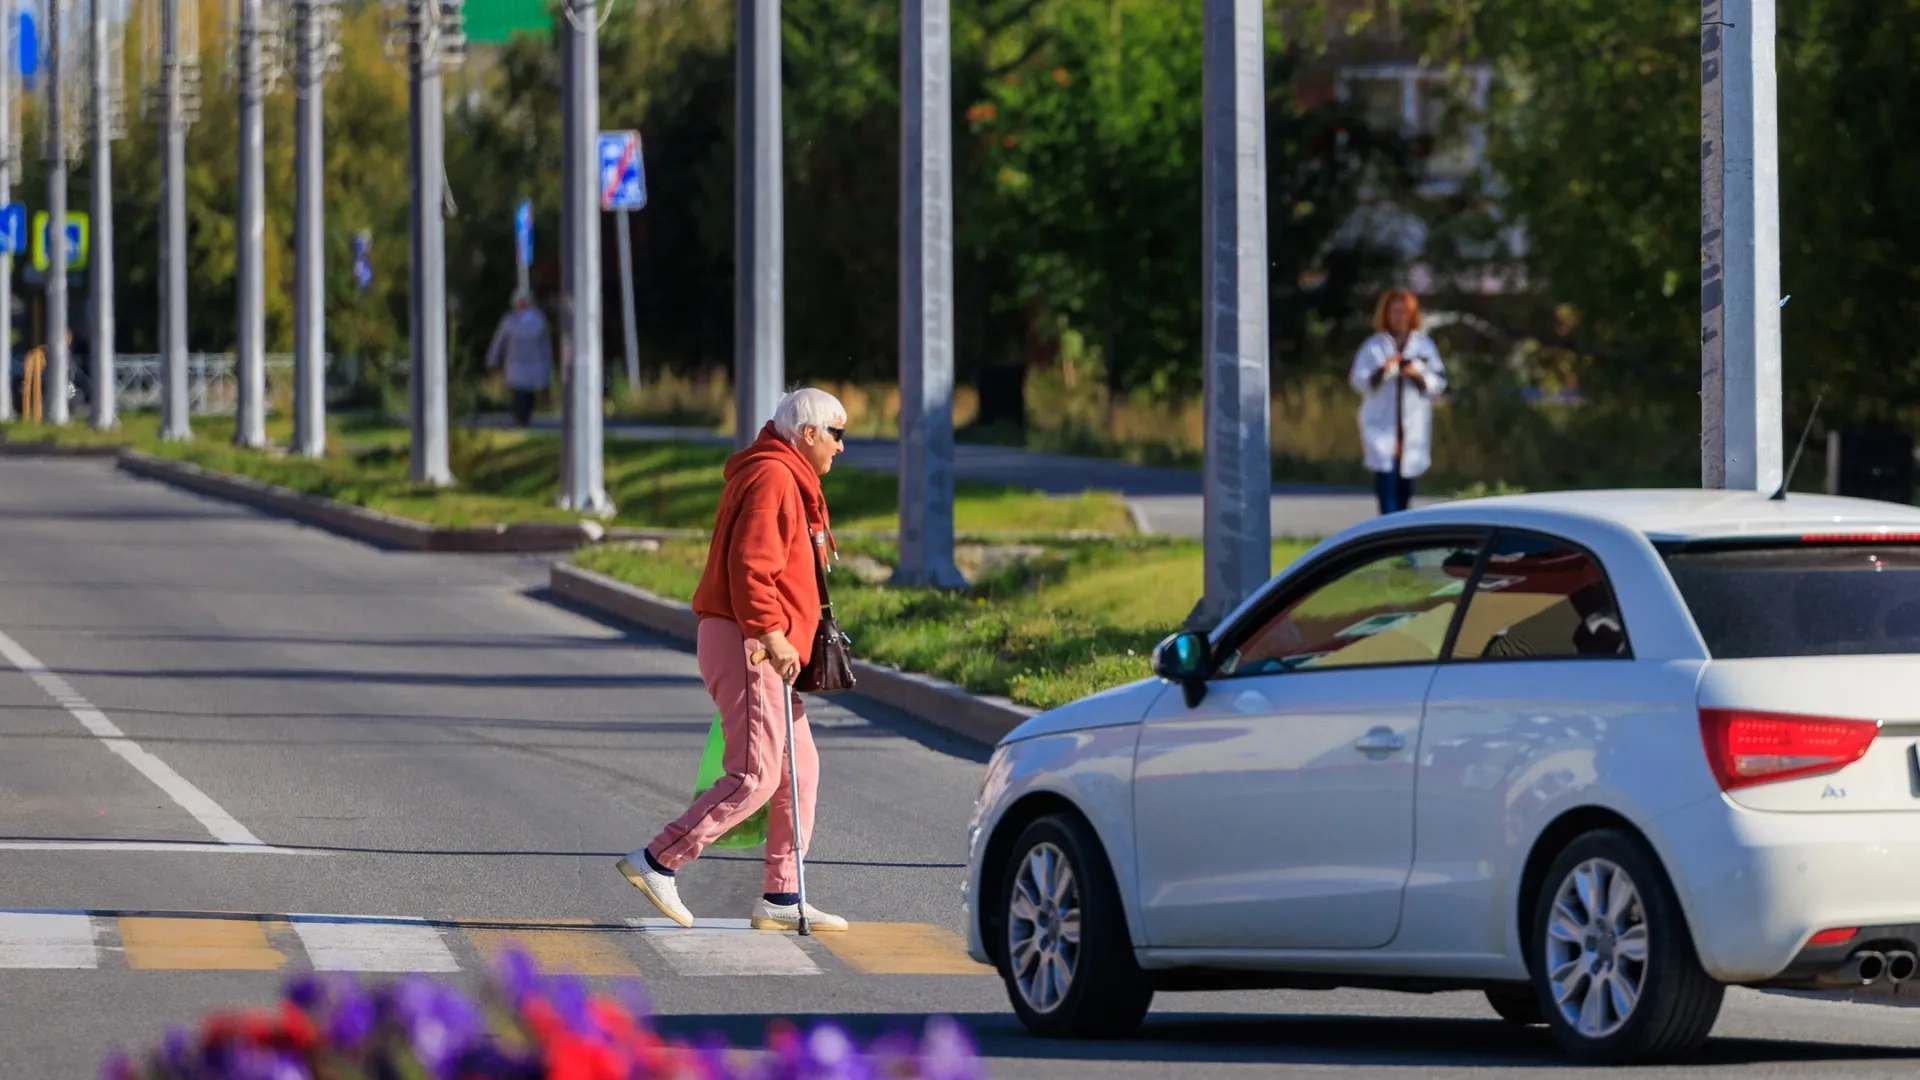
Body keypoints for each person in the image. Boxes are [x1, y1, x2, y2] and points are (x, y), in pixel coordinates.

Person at [617, 387, 851, 932]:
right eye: (837, 435)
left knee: (799, 772)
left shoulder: (786, 475)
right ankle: (658, 860)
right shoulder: (774, 477)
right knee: (756, 774)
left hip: (759, 643)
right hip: (749, 641)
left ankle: (781, 896)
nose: (842, 447)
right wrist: (772, 632)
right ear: (809, 433)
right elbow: (752, 566)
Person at [1349, 287, 1448, 514]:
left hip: (1411, 428)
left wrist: (1415, 373)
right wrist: (1386, 369)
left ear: (1412, 315)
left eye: (1404, 312)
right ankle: (1386, 539)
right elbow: (1359, 381)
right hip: (1382, 427)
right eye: (1395, 311)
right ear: (1386, 314)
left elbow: (1438, 383)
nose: (1399, 317)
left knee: (1405, 493)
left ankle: (1403, 543)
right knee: (1386, 490)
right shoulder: (1374, 346)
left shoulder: (1423, 346)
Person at [485, 290, 553, 427]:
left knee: (528, 394)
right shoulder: (509, 320)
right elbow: (499, 340)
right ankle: (519, 419)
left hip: (533, 364)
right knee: (518, 394)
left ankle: (525, 418)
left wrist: (547, 363)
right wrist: (492, 358)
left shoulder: (538, 319)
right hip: (515, 364)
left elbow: (545, 343)